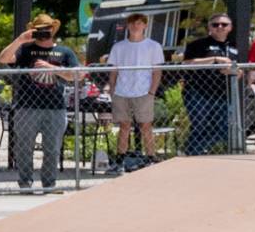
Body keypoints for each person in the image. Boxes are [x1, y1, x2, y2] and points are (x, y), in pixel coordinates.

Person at [0, 15, 82, 193]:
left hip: (55, 107)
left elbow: (76, 75)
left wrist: (51, 67)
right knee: (24, 147)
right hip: (26, 106)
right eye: (39, 29)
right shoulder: (25, 50)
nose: (43, 32)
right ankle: (25, 183)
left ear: (53, 29)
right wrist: (20, 39)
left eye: (46, 28)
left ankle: (49, 184)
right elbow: (3, 59)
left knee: (52, 148)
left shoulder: (65, 52)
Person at [103, 13, 163, 172]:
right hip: (122, 92)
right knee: (124, 126)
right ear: (128, 26)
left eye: (139, 23)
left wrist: (152, 91)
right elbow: (113, 71)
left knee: (146, 126)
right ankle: (120, 160)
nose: (136, 26)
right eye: (132, 23)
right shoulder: (118, 47)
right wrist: (113, 90)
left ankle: (151, 157)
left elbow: (157, 71)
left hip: (144, 92)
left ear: (145, 26)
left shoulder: (153, 46)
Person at [177, 13, 242, 155]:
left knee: (223, 129)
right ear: (209, 27)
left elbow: (241, 71)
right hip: (198, 93)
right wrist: (215, 59)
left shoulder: (235, 47)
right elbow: (186, 63)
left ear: (230, 28)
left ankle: (193, 151)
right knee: (200, 126)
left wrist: (234, 73)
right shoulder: (198, 44)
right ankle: (193, 155)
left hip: (223, 94)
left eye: (224, 24)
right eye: (215, 24)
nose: (220, 27)